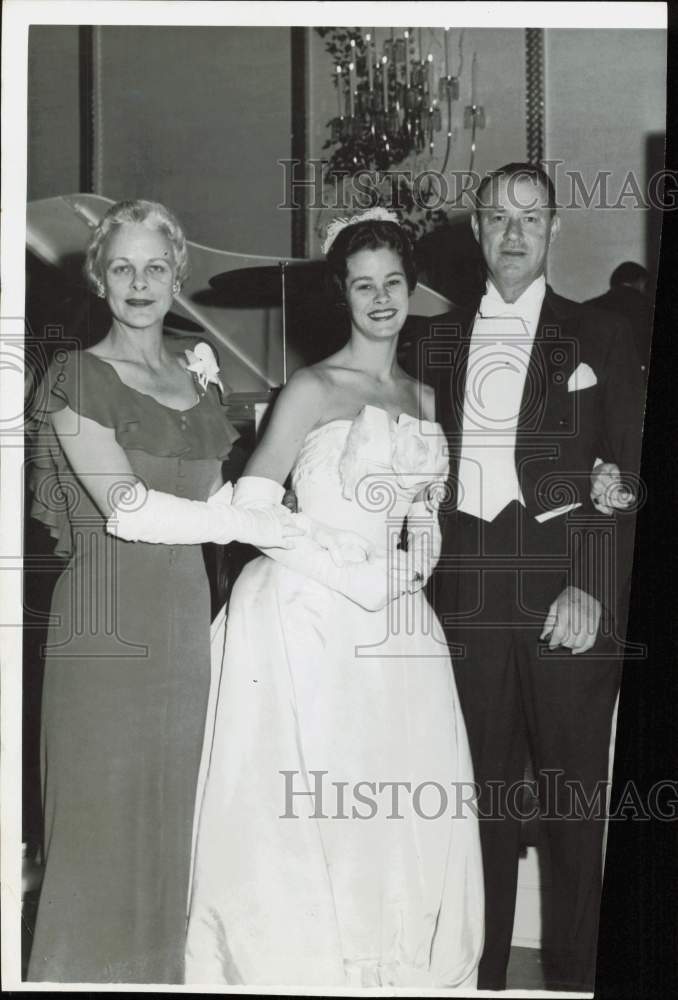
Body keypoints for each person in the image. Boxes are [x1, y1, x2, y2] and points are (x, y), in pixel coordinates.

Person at [185, 209, 485, 988]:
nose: (380, 298)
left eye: (392, 283)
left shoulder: (422, 397)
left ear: (410, 290)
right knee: (305, 798)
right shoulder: (311, 387)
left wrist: (414, 563)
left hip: (394, 627)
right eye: (363, 286)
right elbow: (251, 511)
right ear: (342, 294)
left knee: (387, 800)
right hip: (302, 615)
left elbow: (425, 513)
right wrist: (345, 570)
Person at [26, 199, 299, 983]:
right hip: (105, 626)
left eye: (154, 266)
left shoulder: (198, 376)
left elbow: (221, 508)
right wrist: (272, 526)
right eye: (122, 267)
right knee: (101, 828)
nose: (139, 282)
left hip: (185, 624)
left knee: (175, 825)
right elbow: (130, 509)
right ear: (98, 278)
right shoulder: (77, 375)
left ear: (178, 275)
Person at [418, 163, 646, 992]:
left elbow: (628, 470)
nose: (513, 234)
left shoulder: (601, 335)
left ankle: (581, 979)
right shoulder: (433, 342)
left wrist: (592, 583)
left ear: (554, 230)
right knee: (476, 807)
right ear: (475, 231)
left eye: (530, 218)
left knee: (573, 813)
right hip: (466, 594)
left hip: (565, 596)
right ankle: (478, 981)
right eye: (496, 219)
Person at [586, 260, 653, 377]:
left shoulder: (587, 307)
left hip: (599, 379)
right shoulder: (648, 307)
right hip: (637, 378)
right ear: (642, 282)